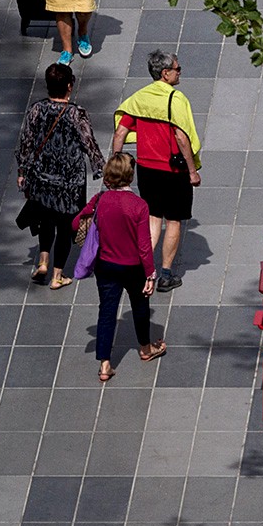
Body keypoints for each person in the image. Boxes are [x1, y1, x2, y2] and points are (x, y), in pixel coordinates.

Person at [113, 50, 203, 291]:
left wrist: (116, 161)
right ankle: (165, 275)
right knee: (173, 221)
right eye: (177, 69)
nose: (180, 72)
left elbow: (120, 132)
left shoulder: (139, 98)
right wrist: (192, 171)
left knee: (153, 217)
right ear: (165, 73)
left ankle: (143, 270)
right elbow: (181, 137)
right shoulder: (176, 99)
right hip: (173, 171)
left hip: (146, 169)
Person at [75, 154, 165, 383]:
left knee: (107, 312)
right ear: (130, 176)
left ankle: (105, 364)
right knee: (140, 307)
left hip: (106, 266)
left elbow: (76, 224)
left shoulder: (100, 200)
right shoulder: (139, 205)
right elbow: (144, 246)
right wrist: (150, 274)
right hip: (133, 267)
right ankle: (146, 349)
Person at [15, 63, 104, 289]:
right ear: (69, 86)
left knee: (45, 218)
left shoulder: (36, 109)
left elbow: (25, 142)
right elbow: (89, 143)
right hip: (70, 181)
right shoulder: (76, 113)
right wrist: (101, 168)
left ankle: (43, 261)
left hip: (42, 176)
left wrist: (22, 171)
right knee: (65, 226)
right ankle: (57, 275)